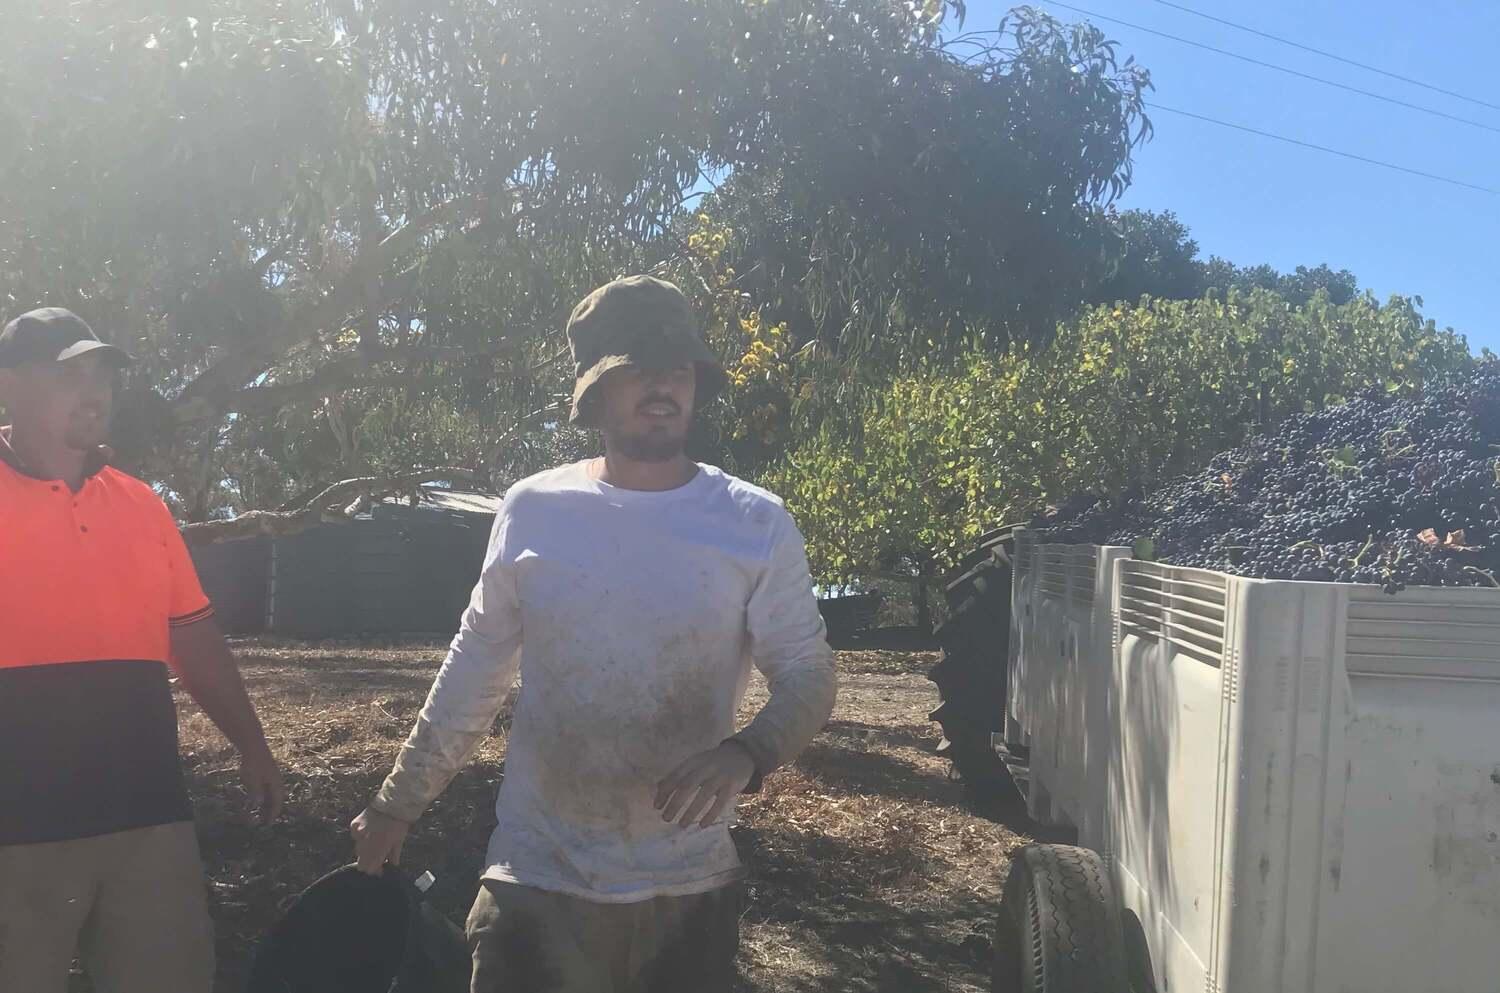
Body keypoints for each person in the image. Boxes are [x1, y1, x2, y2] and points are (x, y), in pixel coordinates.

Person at [351, 275, 837, 992]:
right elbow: (473, 670)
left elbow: (808, 669)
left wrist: (751, 750)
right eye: (637, 370)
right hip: (537, 883)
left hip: (685, 890)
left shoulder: (752, 521)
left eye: (678, 370)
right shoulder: (534, 509)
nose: (663, 387)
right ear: (593, 392)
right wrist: (399, 800)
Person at [0, 307, 285, 993]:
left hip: (146, 816)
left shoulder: (141, 505)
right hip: (16, 826)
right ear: (9, 384)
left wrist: (252, 743)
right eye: (69, 372)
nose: (93, 389)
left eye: (102, 374)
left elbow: (190, 633)